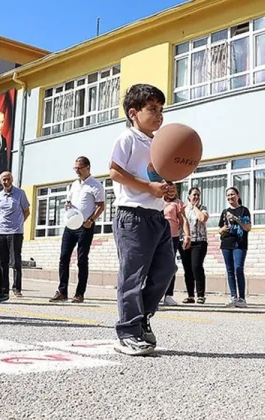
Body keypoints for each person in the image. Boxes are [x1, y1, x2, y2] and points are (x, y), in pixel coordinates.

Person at [109, 83, 176, 356]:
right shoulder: (128, 138)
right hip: (132, 216)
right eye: (153, 109)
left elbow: (159, 180)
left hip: (157, 217)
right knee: (133, 277)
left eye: (161, 109)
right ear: (134, 113)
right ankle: (127, 332)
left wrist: (168, 189)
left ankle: (142, 318)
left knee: (166, 270)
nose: (159, 115)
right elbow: (114, 172)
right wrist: (148, 188)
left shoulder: (158, 143)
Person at [50, 156, 105, 303]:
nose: (77, 171)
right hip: (70, 225)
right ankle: (62, 291)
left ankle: (79, 293)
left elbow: (101, 205)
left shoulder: (95, 185)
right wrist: (68, 206)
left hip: (85, 226)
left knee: (81, 259)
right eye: (75, 168)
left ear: (87, 167)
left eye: (79, 168)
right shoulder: (74, 184)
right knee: (64, 257)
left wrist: (91, 220)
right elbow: (70, 201)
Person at [0, 171, 30, 297]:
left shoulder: (20, 193)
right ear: (1, 181)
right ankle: (4, 288)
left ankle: (17, 288)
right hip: (1, 231)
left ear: (12, 179)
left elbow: (26, 211)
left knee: (15, 261)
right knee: (2, 261)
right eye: (4, 179)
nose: (6, 182)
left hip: (15, 232)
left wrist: (19, 223)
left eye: (8, 179)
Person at [218, 187, 251, 308]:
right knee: (230, 270)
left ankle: (242, 298)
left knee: (238, 269)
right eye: (228, 195)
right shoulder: (224, 211)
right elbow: (220, 229)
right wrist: (223, 229)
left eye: (232, 194)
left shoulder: (244, 210)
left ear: (238, 196)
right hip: (226, 243)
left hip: (240, 244)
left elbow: (248, 228)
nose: (230, 197)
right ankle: (233, 296)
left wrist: (236, 219)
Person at [161, 182, 190, 306]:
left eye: (174, 190)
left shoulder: (178, 203)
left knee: (169, 266)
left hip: (173, 237)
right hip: (157, 236)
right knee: (154, 265)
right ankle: (152, 294)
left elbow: (183, 219)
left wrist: (187, 235)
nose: (171, 192)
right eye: (169, 190)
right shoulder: (158, 201)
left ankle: (168, 295)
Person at [180, 187, 208, 304]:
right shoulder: (184, 209)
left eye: (198, 195)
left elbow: (203, 218)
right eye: (194, 195)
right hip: (186, 241)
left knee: (196, 266)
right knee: (187, 268)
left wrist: (195, 207)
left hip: (200, 241)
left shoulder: (203, 208)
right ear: (188, 197)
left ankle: (200, 295)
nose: (196, 197)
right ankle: (190, 295)